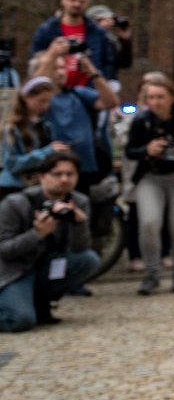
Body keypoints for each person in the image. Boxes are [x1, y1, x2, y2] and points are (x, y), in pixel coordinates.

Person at [124, 73, 174, 294]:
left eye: (160, 96)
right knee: (149, 223)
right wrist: (147, 150)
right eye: (151, 97)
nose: (155, 102)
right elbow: (130, 151)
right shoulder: (141, 121)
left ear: (172, 97)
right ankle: (152, 274)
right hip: (150, 177)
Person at [0, 153, 100, 332]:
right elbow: (5, 251)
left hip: (48, 266)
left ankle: (40, 301)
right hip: (15, 271)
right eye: (57, 174)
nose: (64, 179)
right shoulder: (15, 203)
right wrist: (37, 234)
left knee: (89, 259)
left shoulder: (79, 202)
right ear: (42, 176)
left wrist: (79, 223)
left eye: (70, 174)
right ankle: (21, 302)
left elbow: (81, 248)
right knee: (21, 320)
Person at [31, 41, 119, 195]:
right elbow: (34, 88)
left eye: (62, 67)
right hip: (51, 170)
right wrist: (51, 54)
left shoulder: (78, 94)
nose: (60, 72)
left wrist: (93, 72)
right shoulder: (41, 102)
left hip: (83, 169)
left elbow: (111, 102)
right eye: (54, 68)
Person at [29, 0, 117, 88]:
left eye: (81, 2)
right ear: (63, 1)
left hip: (90, 92)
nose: (77, 4)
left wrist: (103, 84)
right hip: (55, 91)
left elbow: (109, 63)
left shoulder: (97, 32)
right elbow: (34, 62)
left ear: (87, 4)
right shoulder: (47, 30)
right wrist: (52, 53)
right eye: (72, 0)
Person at [2, 77, 61, 192]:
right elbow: (11, 164)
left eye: (48, 101)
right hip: (14, 187)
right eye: (41, 101)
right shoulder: (13, 128)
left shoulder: (46, 126)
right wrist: (47, 152)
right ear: (26, 98)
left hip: (37, 186)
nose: (45, 106)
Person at [88, 5, 134, 72]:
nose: (111, 22)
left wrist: (125, 40)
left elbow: (125, 64)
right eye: (107, 19)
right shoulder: (85, 38)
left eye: (111, 19)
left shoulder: (111, 40)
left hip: (108, 79)